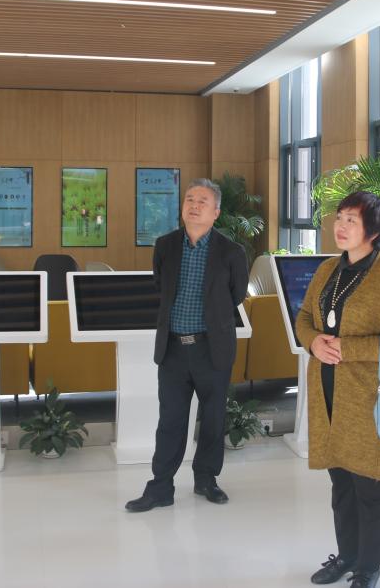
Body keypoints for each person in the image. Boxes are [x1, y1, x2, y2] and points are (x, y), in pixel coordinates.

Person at [294, 192, 380, 588]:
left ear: (375, 231)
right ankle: (347, 555)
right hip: (328, 389)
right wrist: (313, 342)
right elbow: (305, 316)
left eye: (352, 219)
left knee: (372, 483)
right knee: (342, 481)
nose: (341, 226)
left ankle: (369, 565)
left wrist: (348, 349)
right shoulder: (328, 268)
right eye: (340, 217)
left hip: (369, 392)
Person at [125, 178, 248, 512]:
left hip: (212, 348)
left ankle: (206, 479)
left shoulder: (231, 252)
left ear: (216, 212)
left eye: (202, 201)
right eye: (190, 199)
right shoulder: (165, 246)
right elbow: (160, 285)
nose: (194, 205)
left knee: (213, 419)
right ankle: (160, 487)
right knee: (171, 420)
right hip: (174, 349)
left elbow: (236, 294)